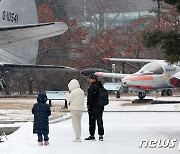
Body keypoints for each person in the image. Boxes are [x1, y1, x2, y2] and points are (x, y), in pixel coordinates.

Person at [85, 74, 104, 141]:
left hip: (93, 106)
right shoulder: (100, 86)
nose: (89, 80)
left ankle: (92, 134)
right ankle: (101, 135)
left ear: (93, 79)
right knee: (99, 120)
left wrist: (89, 105)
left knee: (92, 121)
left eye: (89, 78)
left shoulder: (92, 87)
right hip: (100, 106)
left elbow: (90, 98)